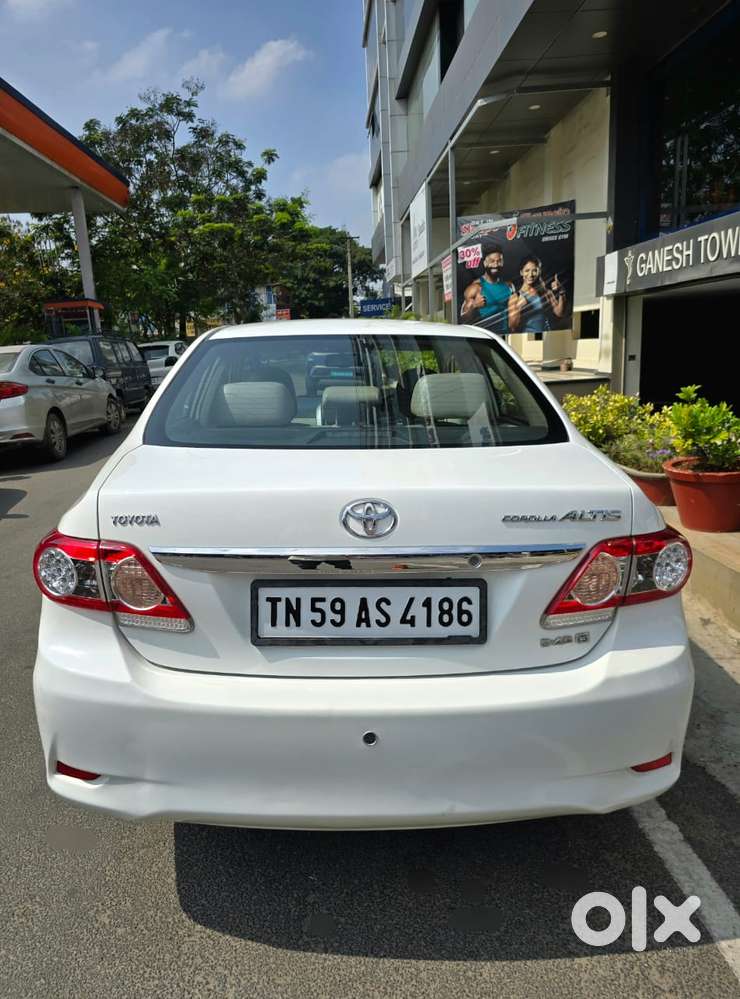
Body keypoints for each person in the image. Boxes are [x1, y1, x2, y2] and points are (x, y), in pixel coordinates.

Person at [460, 239, 515, 333]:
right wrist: (474, 305)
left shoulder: (509, 286)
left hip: (505, 335)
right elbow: (463, 319)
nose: (495, 265)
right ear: (485, 263)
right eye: (492, 261)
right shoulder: (475, 287)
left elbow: (514, 315)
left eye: (499, 261)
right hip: (485, 336)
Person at [509, 255, 567, 334]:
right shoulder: (515, 297)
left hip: (547, 336)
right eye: (527, 270)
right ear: (521, 272)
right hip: (529, 338)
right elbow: (512, 327)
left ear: (539, 271)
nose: (531, 274)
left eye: (534, 270)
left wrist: (561, 291)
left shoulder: (545, 292)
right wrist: (519, 307)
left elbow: (560, 313)